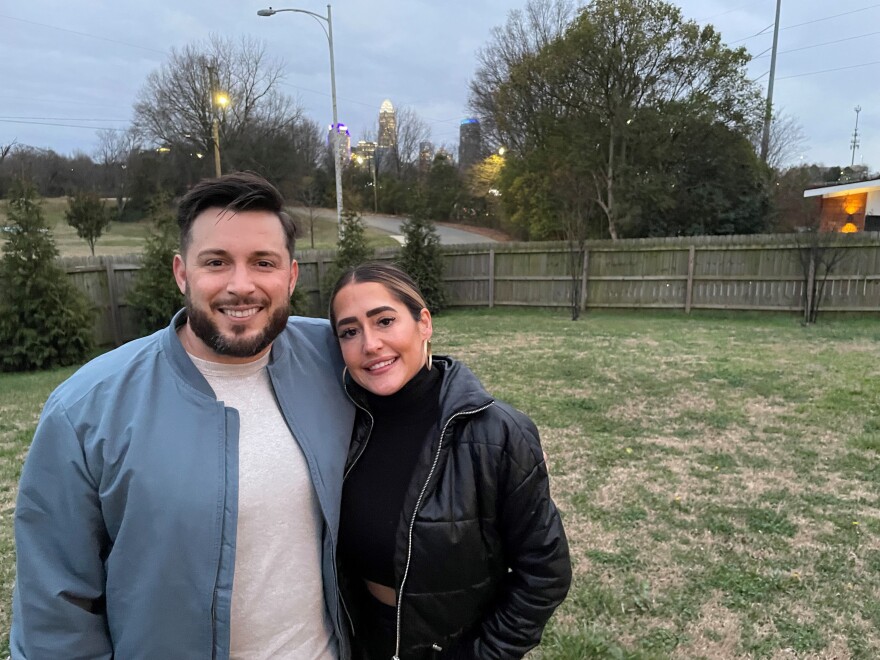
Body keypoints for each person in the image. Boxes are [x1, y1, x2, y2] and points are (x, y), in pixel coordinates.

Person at [11, 172, 355, 659]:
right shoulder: (87, 410)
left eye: (263, 262)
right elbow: (54, 611)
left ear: (292, 276)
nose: (241, 285)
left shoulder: (335, 358)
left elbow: (424, 383)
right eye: (216, 262)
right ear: (182, 273)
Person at [329, 263, 571, 660]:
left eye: (385, 320)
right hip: (360, 640)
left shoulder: (498, 433)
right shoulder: (339, 425)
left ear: (424, 323)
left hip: (456, 645)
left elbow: (546, 572)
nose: (369, 344)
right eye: (349, 332)